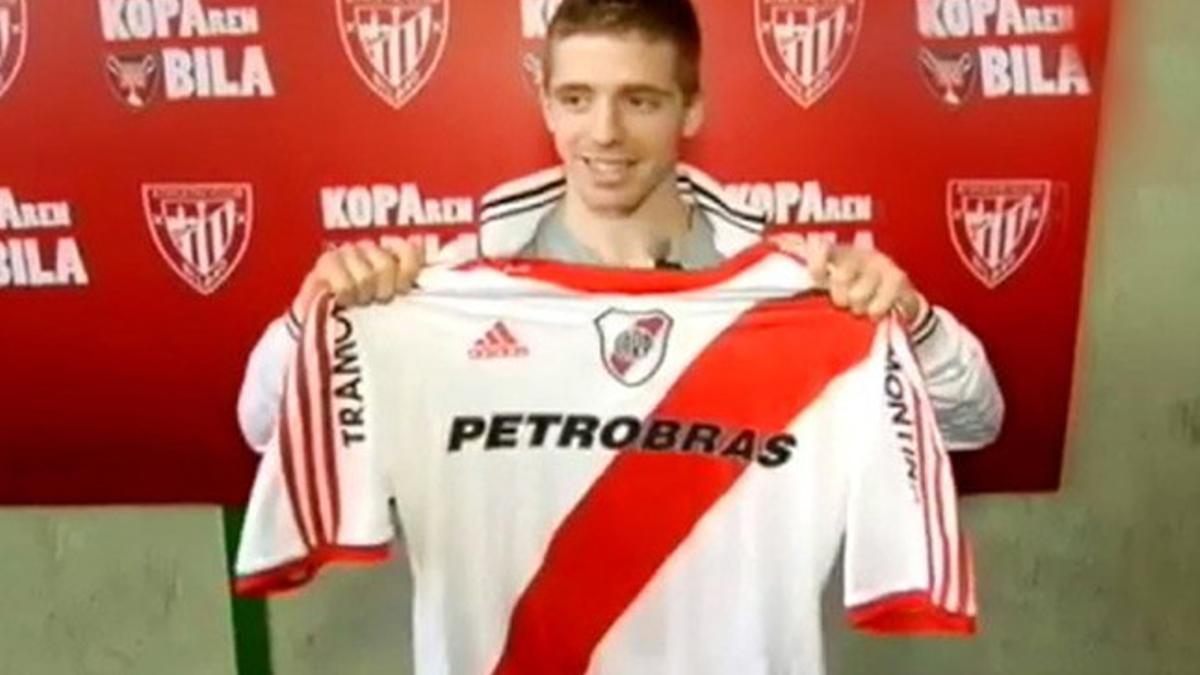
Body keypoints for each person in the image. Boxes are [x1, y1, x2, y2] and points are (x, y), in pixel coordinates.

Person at [238, 0, 1003, 458]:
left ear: (691, 109)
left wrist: (914, 321)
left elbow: (975, 421)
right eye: (576, 99)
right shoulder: (456, 285)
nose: (603, 133)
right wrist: (311, 322)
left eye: (639, 100)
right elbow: (265, 429)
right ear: (546, 106)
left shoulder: (785, 286)